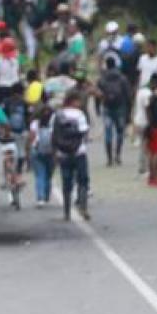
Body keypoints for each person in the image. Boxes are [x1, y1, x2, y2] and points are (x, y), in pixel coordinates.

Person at [52, 91, 92, 221]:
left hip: (63, 153)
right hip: (79, 152)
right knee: (83, 181)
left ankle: (67, 212)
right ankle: (83, 206)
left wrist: (55, 152)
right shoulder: (79, 114)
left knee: (66, 183)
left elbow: (54, 135)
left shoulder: (57, 115)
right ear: (74, 101)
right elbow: (84, 132)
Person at [96, 56, 132, 166]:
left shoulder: (102, 78)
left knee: (108, 133)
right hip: (120, 107)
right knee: (120, 132)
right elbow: (128, 95)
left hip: (107, 107)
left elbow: (97, 94)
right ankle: (118, 155)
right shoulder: (122, 78)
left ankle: (109, 158)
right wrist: (129, 111)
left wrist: (97, 108)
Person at [29, 104, 56, 208]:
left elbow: (31, 137)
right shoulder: (54, 124)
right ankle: (46, 195)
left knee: (40, 175)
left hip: (36, 151)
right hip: (51, 152)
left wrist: (29, 151)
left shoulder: (35, 123)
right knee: (48, 176)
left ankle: (40, 198)